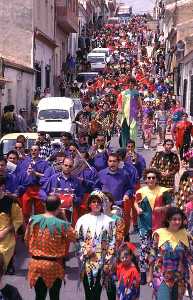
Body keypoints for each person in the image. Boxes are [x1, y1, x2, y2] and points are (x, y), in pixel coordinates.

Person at [25, 194, 75, 300]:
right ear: (59, 207)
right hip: (54, 265)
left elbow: (26, 239)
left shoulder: (32, 220)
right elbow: (74, 237)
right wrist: (64, 217)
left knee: (39, 296)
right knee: (54, 296)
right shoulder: (63, 224)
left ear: (45, 205)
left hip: (36, 264)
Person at [75, 191, 116, 300]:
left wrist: (108, 260)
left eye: (99, 202)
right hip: (87, 262)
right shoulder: (82, 220)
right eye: (94, 202)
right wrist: (85, 250)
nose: (96, 204)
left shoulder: (109, 221)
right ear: (89, 204)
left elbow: (112, 242)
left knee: (97, 292)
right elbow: (77, 240)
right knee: (89, 295)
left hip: (103, 262)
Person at [134, 168, 172, 285]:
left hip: (159, 226)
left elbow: (170, 205)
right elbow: (136, 202)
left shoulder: (163, 191)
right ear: (145, 179)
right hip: (144, 225)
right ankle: (144, 274)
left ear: (157, 179)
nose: (151, 179)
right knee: (144, 250)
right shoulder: (140, 191)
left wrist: (161, 209)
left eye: (153, 178)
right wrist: (137, 208)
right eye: (148, 178)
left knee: (158, 250)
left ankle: (157, 274)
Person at [148, 207, 193, 300]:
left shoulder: (186, 235)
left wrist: (191, 278)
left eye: (179, 219)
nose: (177, 222)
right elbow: (152, 254)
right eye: (174, 219)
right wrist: (150, 274)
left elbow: (190, 258)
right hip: (161, 276)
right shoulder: (159, 234)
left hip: (179, 278)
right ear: (168, 219)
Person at [0, 177, 23, 274]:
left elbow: (18, 220)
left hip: (6, 234)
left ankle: (8, 264)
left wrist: (4, 232)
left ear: (2, 187)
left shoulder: (11, 202)